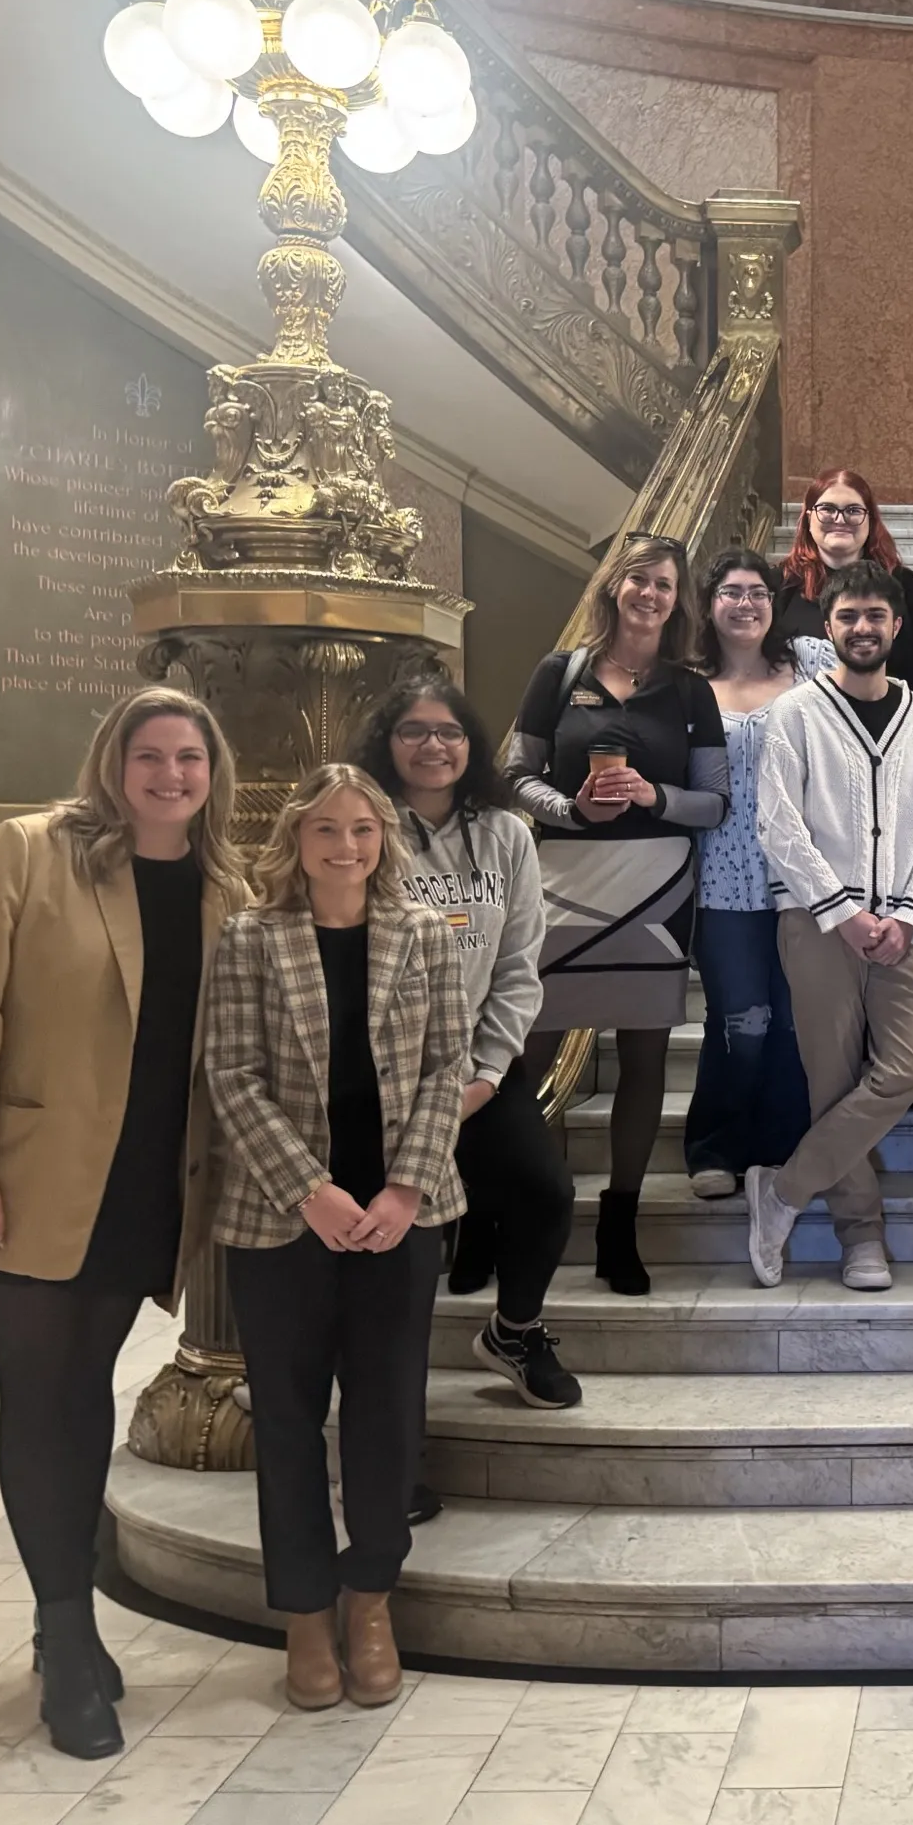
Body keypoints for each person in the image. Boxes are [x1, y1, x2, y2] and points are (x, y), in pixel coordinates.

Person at [0, 686, 242, 1760]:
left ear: (211, 772)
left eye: (190, 758)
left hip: (144, 1181)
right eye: (150, 755)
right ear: (114, 761)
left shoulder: (225, 886)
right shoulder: (32, 851)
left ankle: (67, 1621)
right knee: (39, 1397)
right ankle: (64, 1633)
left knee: (81, 1392)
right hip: (21, 1176)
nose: (170, 775)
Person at [205, 764, 470, 1713]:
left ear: (384, 839)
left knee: (387, 1415)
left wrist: (406, 1187)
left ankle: (369, 1603)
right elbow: (231, 1076)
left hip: (400, 1216)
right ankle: (306, 1614)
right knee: (283, 1419)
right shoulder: (250, 937)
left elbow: (451, 1066)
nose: (345, 846)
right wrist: (307, 1190)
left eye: (362, 829)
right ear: (297, 841)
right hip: (282, 1220)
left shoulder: (425, 937)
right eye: (326, 830)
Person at [504, 532, 729, 1297]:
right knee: (525, 1056)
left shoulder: (691, 690)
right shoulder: (558, 673)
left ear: (679, 600)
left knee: (642, 1060)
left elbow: (715, 800)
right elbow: (514, 774)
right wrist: (569, 809)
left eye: (665, 585)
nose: (651, 595)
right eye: (639, 581)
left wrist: (652, 798)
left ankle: (618, 1225)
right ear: (614, 588)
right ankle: (508, 1211)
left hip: (656, 885)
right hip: (565, 875)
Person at [353, 678, 580, 1412]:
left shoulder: (508, 834)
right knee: (403, 1235)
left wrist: (482, 1079)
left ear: (471, 746)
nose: (433, 746)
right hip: (382, 1072)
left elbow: (518, 966)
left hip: (479, 1066)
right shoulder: (360, 829)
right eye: (413, 731)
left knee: (545, 1192)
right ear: (387, 745)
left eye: (448, 732)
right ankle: (382, 1402)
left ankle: (516, 1331)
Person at [745, 562, 913, 1291]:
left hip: (906, 928)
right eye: (848, 617)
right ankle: (859, 1236)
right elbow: (778, 824)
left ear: (896, 626)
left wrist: (909, 915)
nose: (862, 628)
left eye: (876, 616)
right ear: (827, 627)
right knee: (831, 1083)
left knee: (907, 1070)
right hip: (816, 925)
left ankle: (782, 1190)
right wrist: (840, 912)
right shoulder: (795, 714)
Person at [683, 548, 819, 1200]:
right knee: (742, 1022)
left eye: (758, 592)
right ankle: (716, 1145)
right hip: (721, 880)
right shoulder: (684, 684)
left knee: (796, 1021)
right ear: (710, 605)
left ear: (775, 602)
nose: (745, 603)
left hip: (804, 878)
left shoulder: (812, 666)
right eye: (731, 592)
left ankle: (783, 1147)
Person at [778, 468, 913, 688]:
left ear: (870, 520)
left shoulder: (908, 589)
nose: (839, 519)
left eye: (853, 510)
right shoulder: (781, 585)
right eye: (827, 509)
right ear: (808, 518)